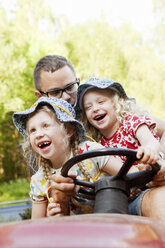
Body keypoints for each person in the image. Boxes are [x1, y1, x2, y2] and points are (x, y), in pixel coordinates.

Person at [13, 96, 134, 219]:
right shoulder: (38, 180)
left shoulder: (90, 151)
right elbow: (37, 227)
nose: (38, 134)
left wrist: (147, 170)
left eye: (45, 126)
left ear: (68, 130)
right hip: (75, 232)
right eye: (32, 130)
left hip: (114, 217)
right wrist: (50, 217)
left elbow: (130, 175)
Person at [33, 55, 165, 153]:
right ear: (40, 96)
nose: (66, 96)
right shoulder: (39, 133)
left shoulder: (123, 120)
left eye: (70, 87)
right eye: (55, 92)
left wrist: (160, 161)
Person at [74, 77, 165, 220]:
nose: (95, 108)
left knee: (160, 170)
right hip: (128, 197)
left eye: (101, 101)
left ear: (116, 103)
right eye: (88, 107)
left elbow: (150, 141)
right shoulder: (99, 146)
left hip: (152, 176)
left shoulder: (131, 122)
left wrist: (150, 150)